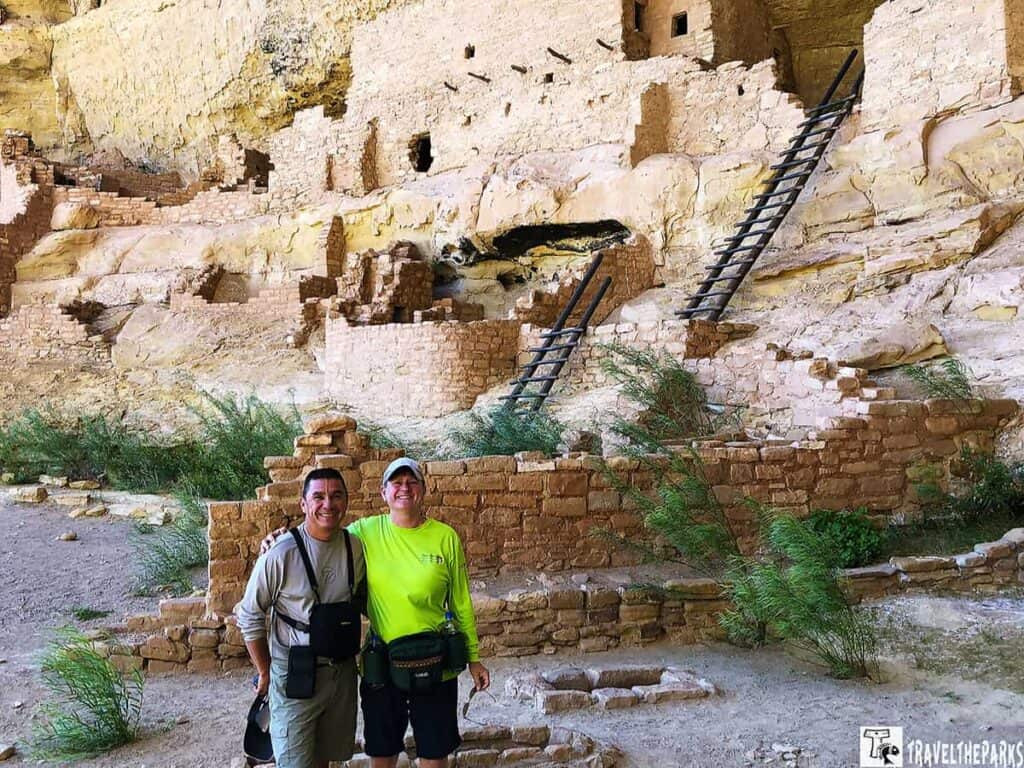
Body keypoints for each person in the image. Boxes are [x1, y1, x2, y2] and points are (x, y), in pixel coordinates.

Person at [260, 457, 491, 768]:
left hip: (436, 663)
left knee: (434, 755)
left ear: (423, 489)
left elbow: (461, 603)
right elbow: (321, 534)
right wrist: (279, 539)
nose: (404, 488)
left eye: (411, 482)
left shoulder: (445, 537)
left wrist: (473, 657)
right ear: (384, 493)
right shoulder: (365, 533)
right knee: (382, 755)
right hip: (383, 664)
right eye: (396, 483)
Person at [236, 468, 365, 768]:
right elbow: (250, 614)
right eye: (318, 497)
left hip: (340, 673)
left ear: (346, 501)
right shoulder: (282, 553)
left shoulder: (354, 546)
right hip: (296, 674)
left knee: (324, 759)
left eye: (336, 496)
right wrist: (265, 672)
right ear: (303, 504)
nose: (328, 504)